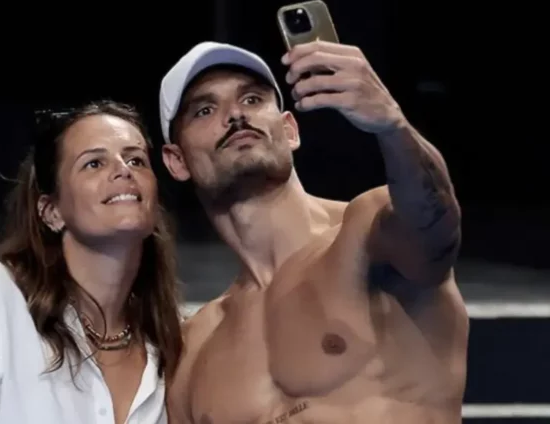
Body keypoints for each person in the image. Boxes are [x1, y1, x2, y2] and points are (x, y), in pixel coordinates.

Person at [158, 41, 467, 423]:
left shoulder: (369, 237)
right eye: (205, 110)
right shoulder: (194, 349)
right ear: (176, 161)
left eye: (252, 99)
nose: (236, 114)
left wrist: (393, 125)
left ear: (289, 130)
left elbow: (434, 224)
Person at [0, 100, 184, 424]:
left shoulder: (170, 337)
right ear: (52, 212)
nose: (123, 170)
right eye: (94, 163)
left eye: (136, 159)